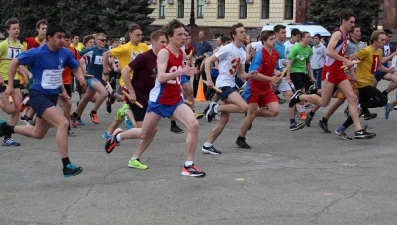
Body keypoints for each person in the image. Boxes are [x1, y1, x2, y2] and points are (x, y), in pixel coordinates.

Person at [107, 19, 205, 177]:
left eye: (185, 34)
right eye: (180, 35)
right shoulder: (164, 53)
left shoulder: (181, 53)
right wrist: (181, 72)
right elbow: (161, 78)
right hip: (159, 101)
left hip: (175, 100)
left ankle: (188, 165)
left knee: (193, 125)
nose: (184, 37)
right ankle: (118, 136)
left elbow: (175, 77)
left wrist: (183, 73)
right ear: (170, 37)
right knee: (144, 133)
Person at [0, 24, 87, 178]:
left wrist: (80, 76)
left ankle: (7, 129)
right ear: (49, 38)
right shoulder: (37, 52)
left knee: (38, 133)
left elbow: (75, 67)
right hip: (38, 95)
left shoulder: (65, 53)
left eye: (63, 37)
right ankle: (66, 165)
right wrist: (10, 86)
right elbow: (14, 62)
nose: (62, 40)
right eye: (58, 37)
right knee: (63, 123)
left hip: (51, 96)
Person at [288, 9, 375, 140]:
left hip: (339, 70)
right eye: (351, 22)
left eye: (354, 22)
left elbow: (339, 54)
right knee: (324, 102)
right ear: (344, 21)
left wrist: (349, 65)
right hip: (331, 71)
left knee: (352, 97)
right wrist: (346, 60)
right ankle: (300, 96)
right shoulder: (337, 34)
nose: (353, 24)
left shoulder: (345, 35)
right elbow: (329, 51)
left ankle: (359, 130)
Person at [104, 30, 167, 159]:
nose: (165, 44)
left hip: (152, 97)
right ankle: (118, 137)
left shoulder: (163, 57)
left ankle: (135, 158)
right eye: (162, 42)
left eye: (166, 42)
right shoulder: (144, 57)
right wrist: (131, 92)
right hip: (138, 96)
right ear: (154, 42)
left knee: (152, 130)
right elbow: (125, 72)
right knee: (145, 132)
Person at [202, 22, 256, 154]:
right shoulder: (227, 48)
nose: (244, 34)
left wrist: (251, 74)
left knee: (225, 119)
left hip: (231, 82)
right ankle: (215, 107)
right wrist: (209, 79)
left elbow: (241, 74)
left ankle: (207, 145)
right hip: (223, 82)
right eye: (241, 32)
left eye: (244, 31)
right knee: (244, 107)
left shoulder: (242, 52)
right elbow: (208, 61)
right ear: (234, 35)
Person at [334, 30, 392, 139]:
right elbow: (350, 59)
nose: (384, 42)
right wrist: (352, 73)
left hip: (369, 81)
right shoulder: (366, 51)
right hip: (362, 83)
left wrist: (389, 70)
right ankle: (361, 106)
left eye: (385, 40)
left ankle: (341, 129)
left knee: (358, 113)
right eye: (382, 40)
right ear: (374, 41)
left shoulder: (379, 51)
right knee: (383, 100)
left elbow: (378, 66)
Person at [237, 30, 282, 148]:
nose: (274, 41)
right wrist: (272, 79)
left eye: (274, 39)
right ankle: (241, 138)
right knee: (251, 115)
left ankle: (251, 113)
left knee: (275, 111)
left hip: (266, 87)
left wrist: (277, 74)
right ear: (264, 41)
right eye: (271, 39)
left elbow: (270, 69)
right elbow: (255, 74)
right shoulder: (260, 55)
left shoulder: (275, 54)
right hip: (254, 87)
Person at [70, 33, 109, 125]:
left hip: (99, 79)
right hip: (90, 77)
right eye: (101, 40)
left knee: (85, 99)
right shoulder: (90, 50)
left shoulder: (106, 51)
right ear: (96, 41)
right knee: (104, 93)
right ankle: (93, 112)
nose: (104, 42)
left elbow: (111, 60)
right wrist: (78, 70)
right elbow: (75, 56)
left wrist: (109, 69)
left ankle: (75, 115)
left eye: (105, 40)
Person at [0, 18, 28, 146]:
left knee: (17, 108)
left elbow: (19, 65)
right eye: (14, 28)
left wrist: (26, 76)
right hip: (3, 80)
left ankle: (7, 137)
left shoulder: (21, 47)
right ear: (8, 30)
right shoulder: (3, 45)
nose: (17, 30)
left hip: (15, 80)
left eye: (18, 28)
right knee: (10, 110)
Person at [286, 31, 315, 122]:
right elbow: (289, 64)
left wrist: (312, 76)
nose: (310, 39)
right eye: (308, 37)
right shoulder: (296, 48)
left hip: (303, 72)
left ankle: (297, 107)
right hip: (294, 72)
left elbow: (308, 64)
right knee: (302, 93)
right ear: (302, 38)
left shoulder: (309, 48)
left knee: (305, 93)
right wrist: (288, 77)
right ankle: (301, 113)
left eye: (310, 37)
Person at [193, 30, 213, 97]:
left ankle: (204, 93)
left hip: (204, 62)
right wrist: (196, 56)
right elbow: (194, 52)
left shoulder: (208, 45)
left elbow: (210, 52)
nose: (199, 36)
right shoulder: (197, 44)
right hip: (197, 61)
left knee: (204, 77)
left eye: (201, 34)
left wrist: (203, 56)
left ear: (204, 35)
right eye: (199, 34)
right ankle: (194, 93)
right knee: (196, 77)